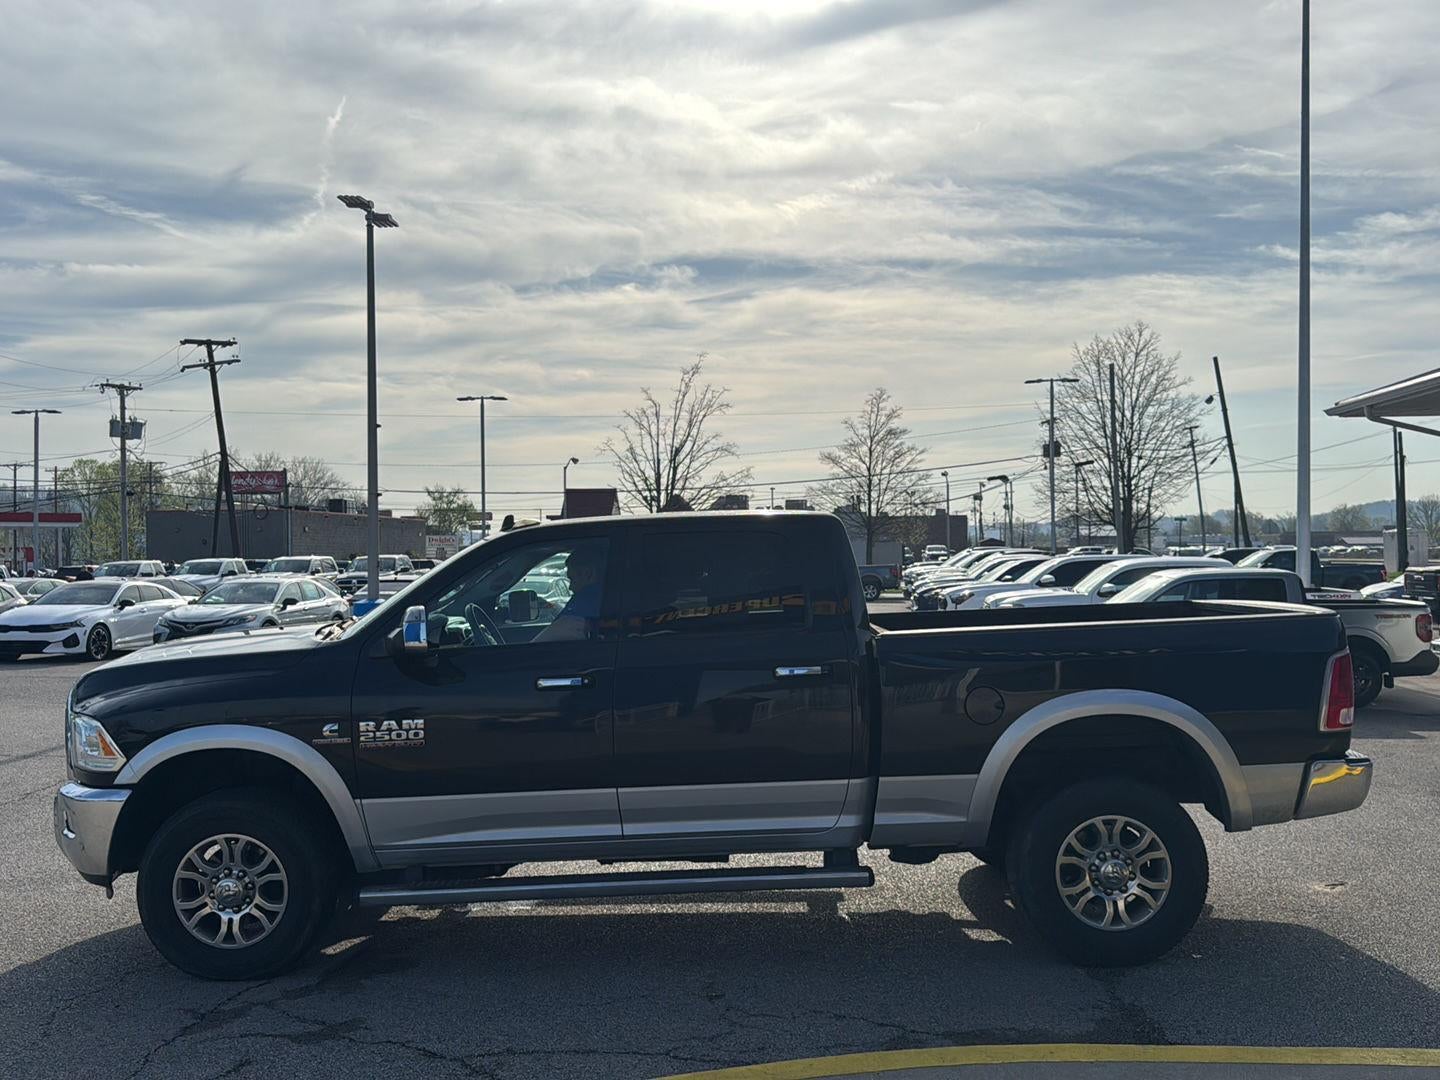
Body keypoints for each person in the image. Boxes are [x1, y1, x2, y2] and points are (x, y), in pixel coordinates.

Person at [534, 545, 604, 641]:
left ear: (588, 573)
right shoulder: (606, 599)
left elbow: (550, 638)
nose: (570, 587)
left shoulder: (584, 602)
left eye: (572, 579)